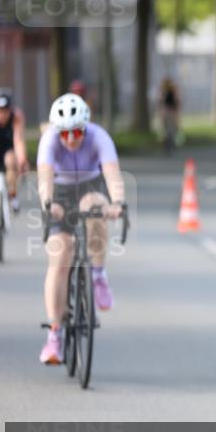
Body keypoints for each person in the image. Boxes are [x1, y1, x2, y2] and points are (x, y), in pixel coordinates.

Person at [37, 93, 126, 365]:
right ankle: (55, 334)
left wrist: (118, 202)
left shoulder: (100, 137)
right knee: (60, 259)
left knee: (95, 206)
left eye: (77, 132)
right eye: (65, 134)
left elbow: (111, 173)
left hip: (90, 186)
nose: (72, 139)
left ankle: (98, 274)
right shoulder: (49, 139)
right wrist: (48, 203)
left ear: (85, 128)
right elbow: (44, 177)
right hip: (61, 190)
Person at [0, 92, 29, 223]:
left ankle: (12, 196)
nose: (3, 115)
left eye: (6, 111)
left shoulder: (17, 117)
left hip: (8, 150)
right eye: (0, 111)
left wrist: (22, 159)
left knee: (11, 160)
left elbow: (18, 140)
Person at [158, 78, 181, 155]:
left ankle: (167, 145)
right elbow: (177, 102)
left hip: (165, 112)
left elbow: (161, 103)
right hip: (171, 112)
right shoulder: (172, 92)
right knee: (170, 130)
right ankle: (169, 145)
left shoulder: (163, 92)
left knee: (166, 130)